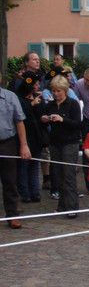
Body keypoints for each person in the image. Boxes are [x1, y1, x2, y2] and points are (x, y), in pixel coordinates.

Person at [42, 75, 81, 218]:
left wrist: (62, 119)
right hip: (55, 142)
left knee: (69, 175)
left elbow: (77, 123)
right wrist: (45, 119)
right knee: (58, 175)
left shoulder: (72, 104)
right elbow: (44, 120)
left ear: (65, 90)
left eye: (59, 91)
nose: (56, 94)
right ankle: (62, 206)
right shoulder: (50, 105)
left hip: (70, 142)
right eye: (54, 91)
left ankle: (72, 206)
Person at [0, 83, 31, 228]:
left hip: (7, 143)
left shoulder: (10, 97)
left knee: (10, 181)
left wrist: (24, 145)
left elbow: (19, 121)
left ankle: (12, 215)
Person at [15, 77, 46, 204]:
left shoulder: (38, 97)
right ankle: (24, 192)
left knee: (34, 164)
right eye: (36, 84)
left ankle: (35, 191)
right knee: (23, 165)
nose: (38, 86)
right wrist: (31, 105)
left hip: (36, 136)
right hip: (24, 135)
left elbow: (41, 114)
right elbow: (20, 116)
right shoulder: (19, 99)